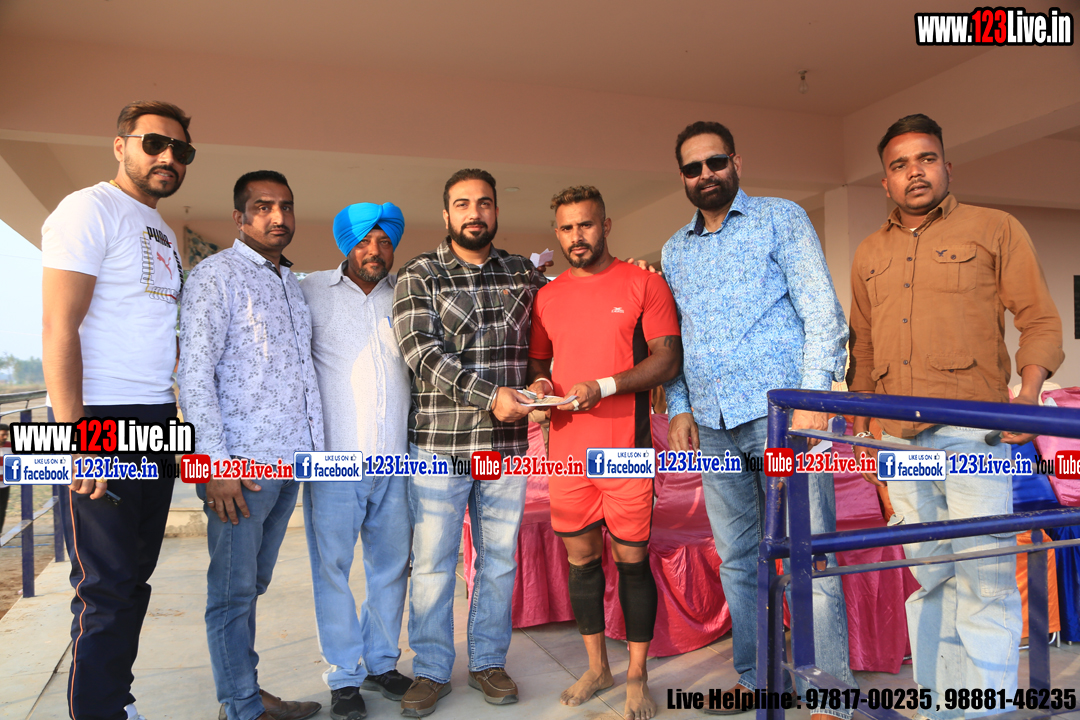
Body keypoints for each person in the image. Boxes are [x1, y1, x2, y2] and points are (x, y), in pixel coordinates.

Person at [848, 113, 1063, 716]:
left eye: (926, 159)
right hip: (897, 441)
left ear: (947, 166)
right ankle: (941, 707)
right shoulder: (869, 252)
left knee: (984, 580)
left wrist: (1029, 394)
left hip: (974, 432)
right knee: (930, 578)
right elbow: (863, 347)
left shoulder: (994, 227)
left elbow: (1038, 317)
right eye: (899, 165)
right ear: (885, 182)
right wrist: (863, 431)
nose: (914, 172)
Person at [662, 121, 857, 717]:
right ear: (683, 178)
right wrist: (679, 407)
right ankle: (758, 678)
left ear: (736, 163)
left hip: (785, 418)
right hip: (714, 424)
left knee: (810, 553)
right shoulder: (674, 250)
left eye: (715, 162)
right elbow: (676, 338)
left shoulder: (781, 218)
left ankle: (828, 695)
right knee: (739, 559)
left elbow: (822, 312)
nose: (705, 174)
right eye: (692, 168)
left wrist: (812, 398)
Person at [41, 100, 192, 720]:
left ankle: (114, 702)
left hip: (156, 416)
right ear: (120, 145)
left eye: (181, 150)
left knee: (133, 578)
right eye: (154, 143)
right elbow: (59, 325)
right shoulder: (88, 208)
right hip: (101, 418)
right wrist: (74, 438)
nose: (168, 157)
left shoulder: (161, 229)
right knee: (103, 586)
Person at [391, 168, 543, 717]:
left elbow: (544, 341)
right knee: (434, 561)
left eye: (484, 203)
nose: (474, 213)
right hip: (439, 444)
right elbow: (421, 354)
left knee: (498, 560)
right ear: (446, 214)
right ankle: (432, 670)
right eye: (462, 204)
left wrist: (541, 380)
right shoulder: (419, 275)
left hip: (507, 446)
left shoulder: (523, 273)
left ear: (496, 210)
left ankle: (488, 662)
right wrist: (490, 395)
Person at [526, 185, 681, 720]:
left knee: (632, 564)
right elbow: (539, 363)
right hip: (567, 455)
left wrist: (605, 386)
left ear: (606, 225)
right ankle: (598, 668)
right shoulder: (546, 296)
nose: (577, 236)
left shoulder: (644, 283)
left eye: (586, 225)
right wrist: (541, 388)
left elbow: (667, 361)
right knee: (583, 563)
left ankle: (637, 674)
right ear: (557, 233)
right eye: (567, 228)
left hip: (627, 453)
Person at [178, 170, 323, 720]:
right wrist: (213, 466)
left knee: (252, 585)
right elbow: (194, 375)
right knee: (232, 592)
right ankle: (241, 706)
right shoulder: (215, 276)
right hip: (240, 469)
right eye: (263, 207)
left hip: (289, 463)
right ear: (239, 217)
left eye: (285, 206)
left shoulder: (290, 283)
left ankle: (245, 692)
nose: (277, 217)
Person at [298, 202, 413, 720]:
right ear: (347, 243)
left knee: (390, 567)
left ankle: (381, 663)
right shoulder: (310, 291)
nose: (375, 250)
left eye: (384, 241)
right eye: (364, 240)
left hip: (397, 461)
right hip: (333, 464)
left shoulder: (407, 295)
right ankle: (344, 676)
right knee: (333, 570)